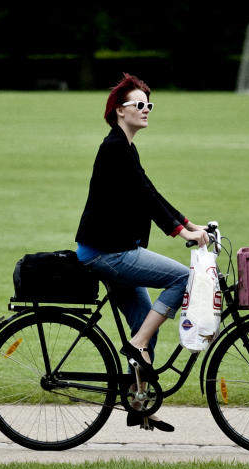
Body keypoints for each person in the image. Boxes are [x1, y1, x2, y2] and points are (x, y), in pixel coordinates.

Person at [74, 73, 212, 432]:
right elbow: (145, 197)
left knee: (146, 324)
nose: (147, 109)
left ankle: (141, 404)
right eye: (140, 104)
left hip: (111, 249)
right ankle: (136, 346)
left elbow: (149, 191)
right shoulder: (114, 148)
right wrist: (182, 232)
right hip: (108, 253)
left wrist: (188, 223)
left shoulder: (125, 147)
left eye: (149, 105)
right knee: (183, 277)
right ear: (121, 111)